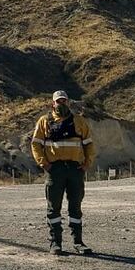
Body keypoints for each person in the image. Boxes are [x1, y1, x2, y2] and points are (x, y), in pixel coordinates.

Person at [31, 90, 97, 255]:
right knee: (54, 208)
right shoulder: (44, 121)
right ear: (53, 104)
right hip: (55, 170)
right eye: (58, 101)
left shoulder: (79, 121)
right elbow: (36, 144)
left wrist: (87, 163)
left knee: (75, 206)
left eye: (64, 101)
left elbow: (89, 144)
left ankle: (78, 242)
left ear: (69, 103)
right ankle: (56, 243)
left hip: (75, 169)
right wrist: (44, 164)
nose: (61, 104)